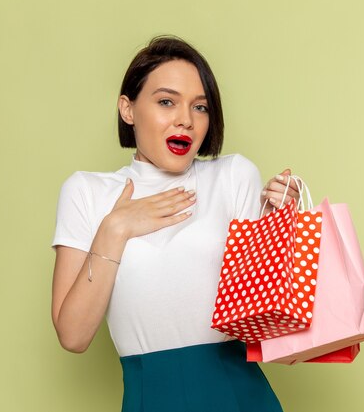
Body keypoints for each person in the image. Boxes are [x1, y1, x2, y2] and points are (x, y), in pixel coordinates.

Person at [50, 35, 300, 412]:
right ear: (128, 109)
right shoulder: (86, 191)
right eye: (166, 101)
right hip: (149, 397)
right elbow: (73, 336)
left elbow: (264, 322)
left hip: (240, 396)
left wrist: (279, 227)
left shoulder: (233, 175)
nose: (185, 119)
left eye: (200, 107)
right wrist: (115, 228)